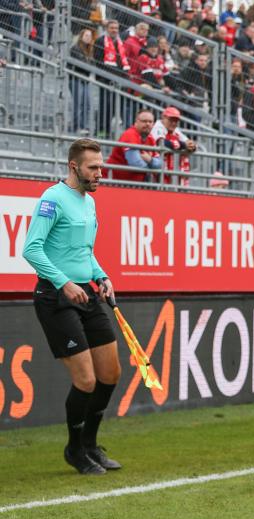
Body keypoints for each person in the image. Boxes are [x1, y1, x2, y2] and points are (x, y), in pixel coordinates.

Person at [22, 139, 122, 475]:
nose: (99, 173)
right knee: (86, 380)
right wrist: (64, 282)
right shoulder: (52, 199)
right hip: (55, 297)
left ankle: (91, 445)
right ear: (73, 167)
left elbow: (84, 251)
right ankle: (75, 449)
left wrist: (102, 276)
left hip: (87, 295)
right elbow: (32, 249)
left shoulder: (89, 202)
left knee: (111, 374)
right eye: (93, 167)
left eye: (101, 167)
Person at [107, 109, 162, 182]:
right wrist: (152, 168)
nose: (147, 124)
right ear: (136, 122)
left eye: (150, 122)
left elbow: (160, 164)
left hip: (133, 184)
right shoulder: (130, 135)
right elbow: (136, 164)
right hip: (114, 183)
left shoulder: (150, 138)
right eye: (144, 121)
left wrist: (150, 160)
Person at [150, 106, 196, 184]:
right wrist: (184, 145)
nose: (174, 123)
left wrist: (191, 145)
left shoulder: (175, 129)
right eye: (171, 120)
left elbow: (189, 143)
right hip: (154, 171)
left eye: (176, 121)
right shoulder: (157, 127)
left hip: (168, 171)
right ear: (163, 117)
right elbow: (162, 143)